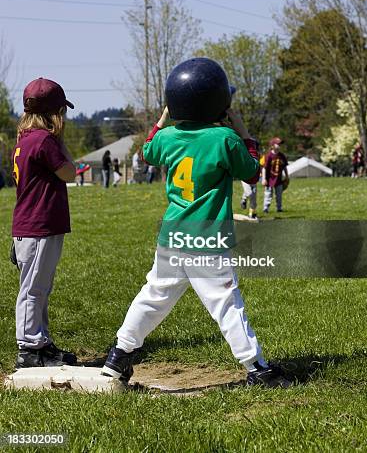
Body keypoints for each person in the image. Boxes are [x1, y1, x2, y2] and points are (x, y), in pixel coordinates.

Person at [102, 57, 289, 388]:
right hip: (206, 237)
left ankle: (119, 356)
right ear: (217, 104)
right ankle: (257, 368)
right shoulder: (224, 139)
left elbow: (146, 151)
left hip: (172, 235)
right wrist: (242, 129)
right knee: (226, 303)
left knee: (153, 296)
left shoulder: (167, 138)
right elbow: (252, 172)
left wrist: (162, 119)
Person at [11, 78, 78, 369]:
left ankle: (40, 342)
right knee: (34, 290)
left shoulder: (25, 140)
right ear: (53, 113)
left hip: (29, 225)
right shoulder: (45, 140)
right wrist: (61, 144)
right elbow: (69, 173)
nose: (63, 117)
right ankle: (29, 347)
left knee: (37, 288)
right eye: (61, 111)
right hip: (38, 226)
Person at [262, 138, 289, 214]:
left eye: (280, 144)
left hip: (279, 179)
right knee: (268, 194)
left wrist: (287, 176)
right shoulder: (268, 156)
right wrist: (264, 179)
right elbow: (264, 168)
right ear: (273, 145)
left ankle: (279, 208)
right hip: (269, 179)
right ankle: (265, 208)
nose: (280, 145)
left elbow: (284, 167)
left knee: (279, 195)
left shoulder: (282, 156)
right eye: (278, 144)